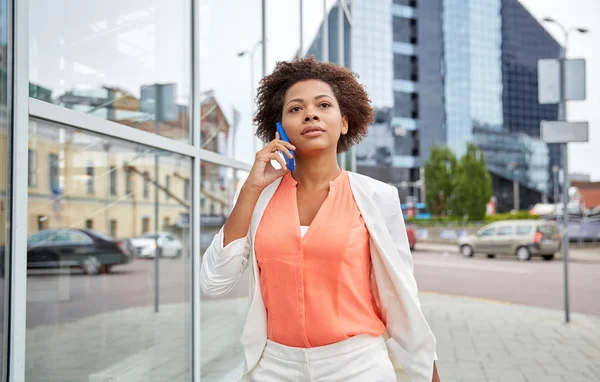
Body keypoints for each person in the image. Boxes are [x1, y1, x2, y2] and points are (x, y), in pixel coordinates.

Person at [201, 57, 440, 382]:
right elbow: (213, 283)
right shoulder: (257, 199)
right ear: (280, 128)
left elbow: (402, 296)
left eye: (323, 104)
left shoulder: (377, 197)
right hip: (273, 368)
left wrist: (427, 371)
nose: (310, 113)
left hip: (358, 366)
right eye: (296, 108)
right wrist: (249, 189)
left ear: (344, 121)